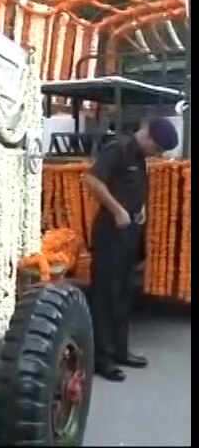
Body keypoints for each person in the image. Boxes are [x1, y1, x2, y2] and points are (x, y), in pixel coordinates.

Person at [83, 116, 178, 382]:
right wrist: (117, 211)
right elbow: (91, 180)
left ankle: (120, 351)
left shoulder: (139, 158)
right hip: (111, 232)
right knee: (105, 294)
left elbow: (133, 187)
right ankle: (102, 359)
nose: (157, 154)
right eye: (157, 148)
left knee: (125, 292)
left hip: (130, 232)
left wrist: (141, 208)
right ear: (146, 135)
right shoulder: (119, 149)